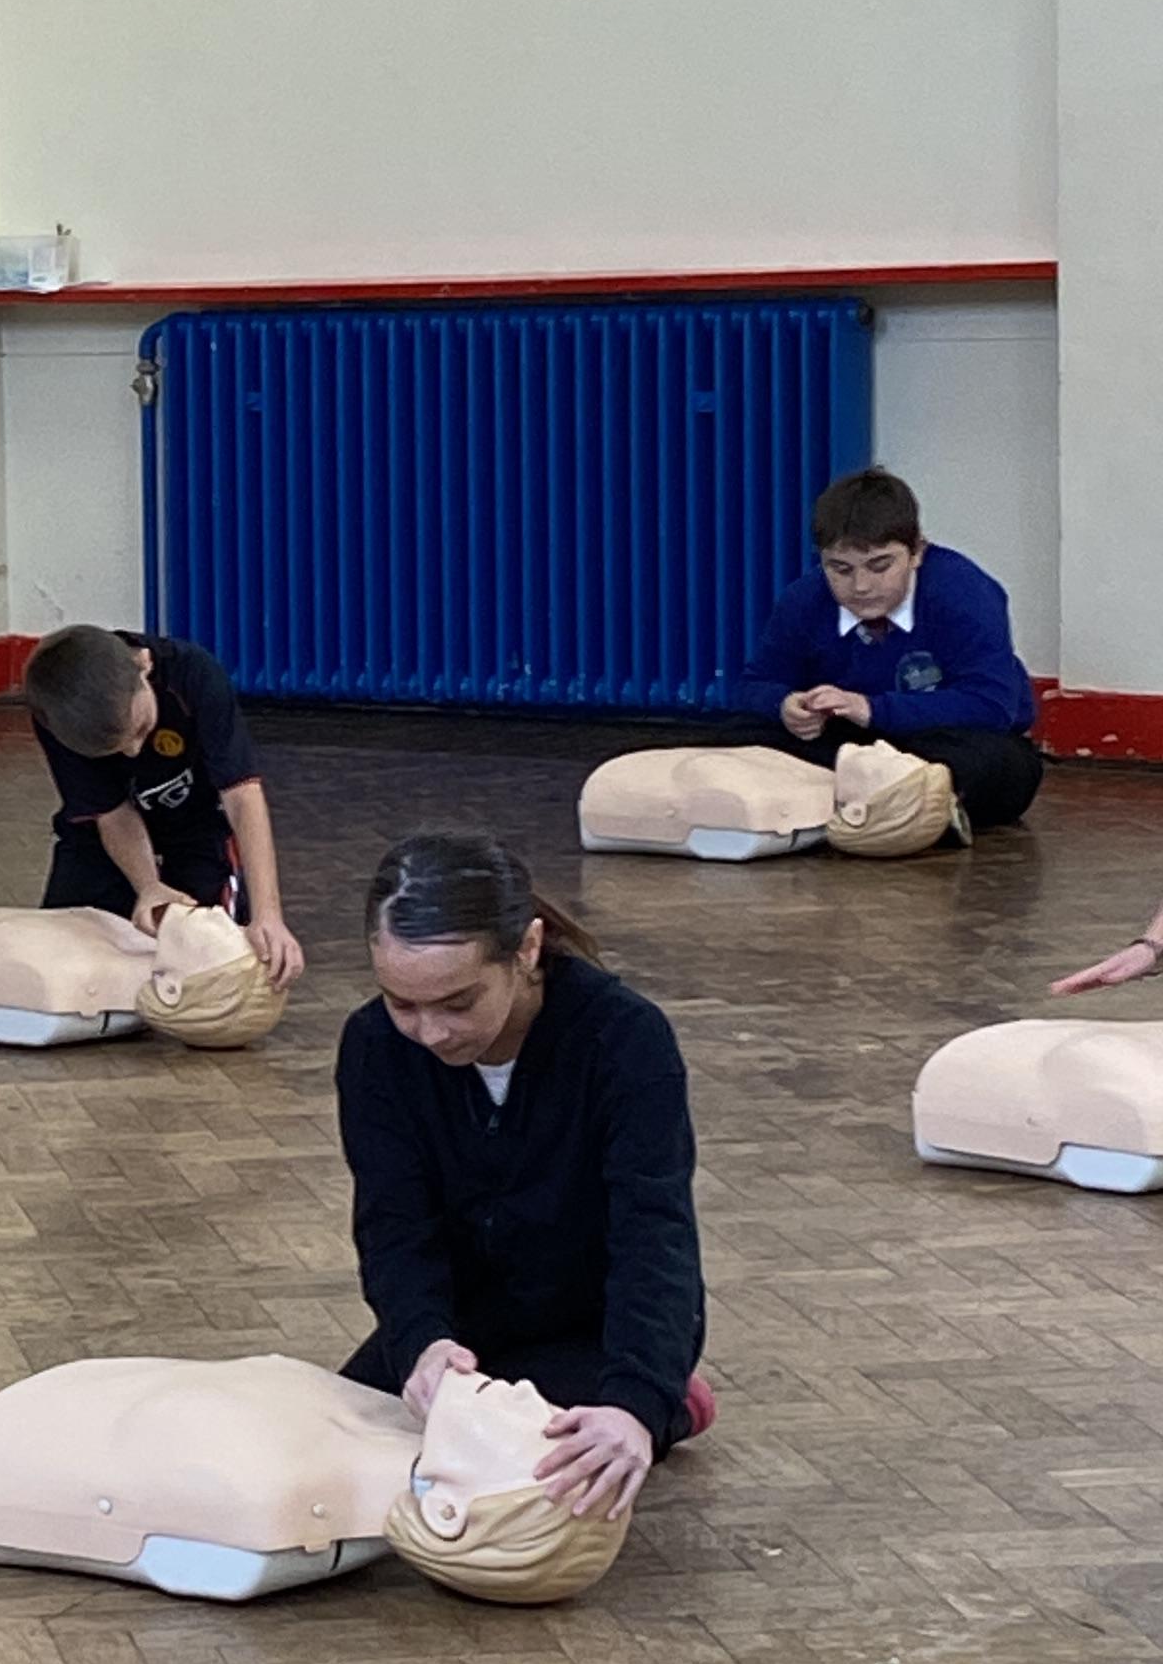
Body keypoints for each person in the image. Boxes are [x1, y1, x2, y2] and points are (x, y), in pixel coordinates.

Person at [336, 831, 708, 1526]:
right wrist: (422, 1343)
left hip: (593, 1327)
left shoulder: (625, 1038)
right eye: (401, 1003)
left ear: (527, 949)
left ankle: (673, 1399)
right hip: (465, 1331)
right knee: (345, 1455)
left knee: (526, 1474)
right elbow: (392, 1223)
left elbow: (653, 1234)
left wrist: (635, 1400)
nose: (430, 1033)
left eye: (458, 1003)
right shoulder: (373, 1047)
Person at [738, 465, 1042, 835]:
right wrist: (786, 705)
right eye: (840, 569)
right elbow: (754, 685)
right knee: (730, 734)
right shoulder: (803, 600)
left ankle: (877, 800)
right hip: (848, 741)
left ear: (917, 552)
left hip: (940, 739)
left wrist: (871, 709)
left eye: (880, 566)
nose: (861, 586)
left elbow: (992, 705)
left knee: (1001, 765)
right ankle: (889, 804)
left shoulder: (966, 592)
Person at [23, 622, 304, 987]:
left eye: (140, 730)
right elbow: (112, 812)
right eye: (112, 751)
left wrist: (269, 914)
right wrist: (148, 886)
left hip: (196, 825)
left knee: (214, 957)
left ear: (144, 664)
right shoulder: (57, 716)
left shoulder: (193, 674)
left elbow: (241, 793)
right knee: (60, 953)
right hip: (105, 836)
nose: (133, 751)